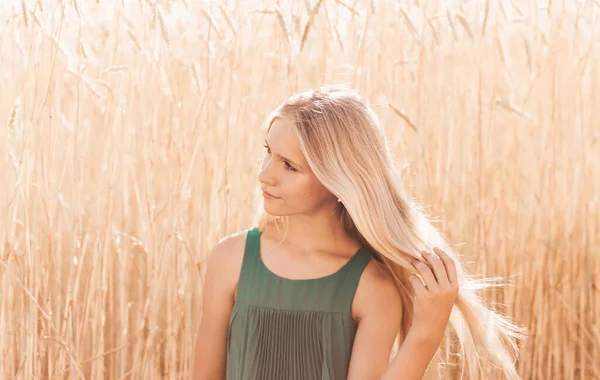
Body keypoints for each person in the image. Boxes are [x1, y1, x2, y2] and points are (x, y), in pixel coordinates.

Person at [192, 84, 526, 380]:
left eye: (290, 166)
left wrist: (427, 332)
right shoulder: (231, 259)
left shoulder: (371, 287)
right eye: (268, 153)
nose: (265, 175)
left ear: (338, 179)